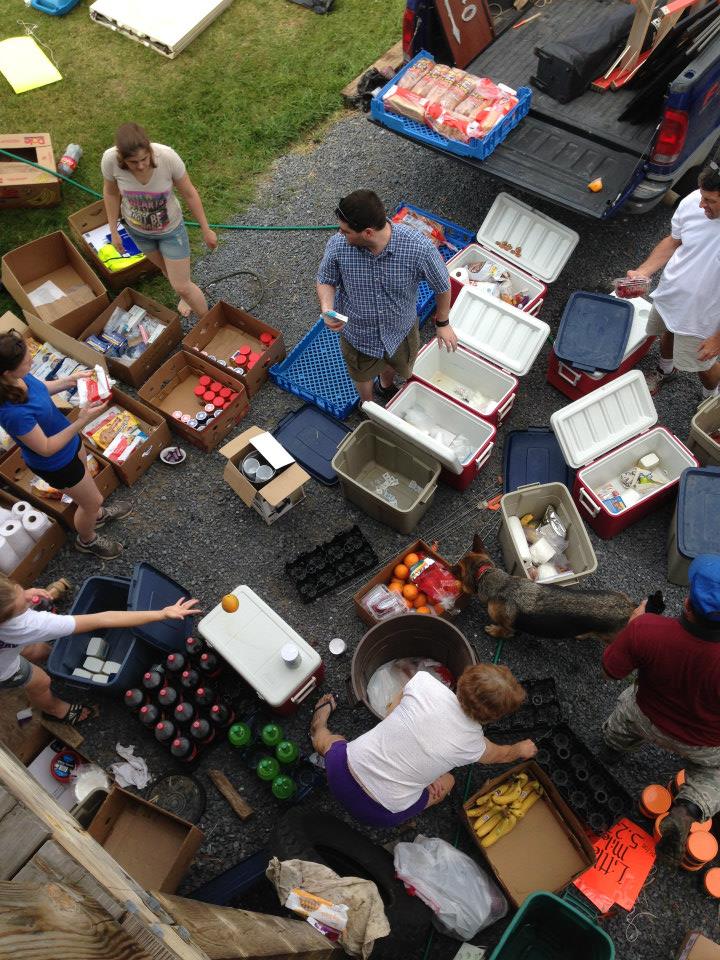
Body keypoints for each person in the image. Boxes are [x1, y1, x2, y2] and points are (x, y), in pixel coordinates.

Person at [310, 664, 537, 828]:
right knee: (447, 781)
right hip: (379, 815)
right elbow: (500, 755)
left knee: (332, 741)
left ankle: (318, 725)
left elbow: (391, 711)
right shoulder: (474, 744)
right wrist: (522, 748)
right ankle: (412, 809)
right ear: (493, 718)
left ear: (463, 679)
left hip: (339, 772)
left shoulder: (424, 683)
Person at [601, 554, 720, 862]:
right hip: (703, 743)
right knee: (715, 774)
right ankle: (688, 808)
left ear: (687, 603)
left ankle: (612, 749)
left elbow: (610, 670)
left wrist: (633, 626)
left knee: (623, 718)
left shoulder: (648, 630)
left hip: (645, 716)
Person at [0, 573, 200, 726]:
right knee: (40, 681)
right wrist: (162, 614)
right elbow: (103, 619)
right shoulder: (26, 626)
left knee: (31, 648)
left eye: (18, 588)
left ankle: (47, 655)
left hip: (7, 643)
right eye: (20, 608)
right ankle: (57, 711)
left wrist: (22, 595)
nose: (28, 601)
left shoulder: (14, 623)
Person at [316, 189, 457, 404]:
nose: (339, 234)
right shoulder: (338, 245)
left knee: (394, 363)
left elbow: (442, 285)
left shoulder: (419, 248)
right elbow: (325, 278)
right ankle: (368, 403)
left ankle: (385, 386)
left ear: (368, 232)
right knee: (361, 374)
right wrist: (327, 307)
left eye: (346, 231)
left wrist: (443, 322)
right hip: (358, 334)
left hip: (400, 331)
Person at [0, 331, 130, 560]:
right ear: (7, 372)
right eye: (26, 360)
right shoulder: (12, 413)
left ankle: (96, 514)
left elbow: (41, 389)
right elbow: (47, 447)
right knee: (92, 502)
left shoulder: (18, 379)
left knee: (89, 495)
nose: (31, 359)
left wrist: (71, 380)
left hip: (70, 442)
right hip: (57, 463)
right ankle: (87, 539)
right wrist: (81, 420)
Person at [102, 122, 217, 319]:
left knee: (183, 286)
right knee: (166, 270)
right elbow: (111, 194)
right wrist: (114, 231)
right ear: (121, 158)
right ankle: (183, 296)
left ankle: (210, 322)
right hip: (138, 231)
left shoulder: (167, 157)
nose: (140, 166)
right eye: (132, 162)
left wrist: (206, 229)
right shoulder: (110, 160)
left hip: (170, 231)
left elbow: (189, 193)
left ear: (149, 149)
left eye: (144, 159)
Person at [625, 161, 720, 399]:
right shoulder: (693, 202)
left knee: (704, 365)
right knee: (667, 330)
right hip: (671, 294)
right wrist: (644, 271)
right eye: (702, 196)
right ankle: (664, 370)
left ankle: (710, 398)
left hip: (704, 317)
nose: (701, 204)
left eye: (710, 201)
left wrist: (717, 339)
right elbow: (673, 240)